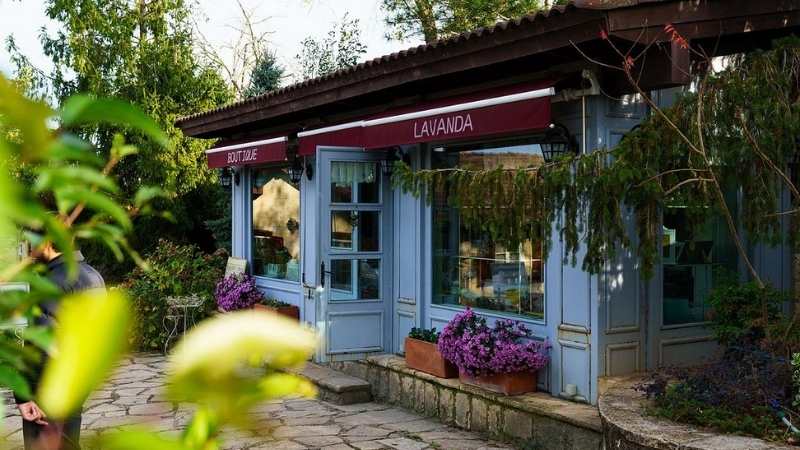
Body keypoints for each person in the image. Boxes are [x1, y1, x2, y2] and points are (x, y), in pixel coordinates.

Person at [15, 243, 105, 450]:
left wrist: (24, 394)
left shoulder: (50, 283)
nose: (29, 249)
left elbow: (40, 343)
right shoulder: (92, 275)